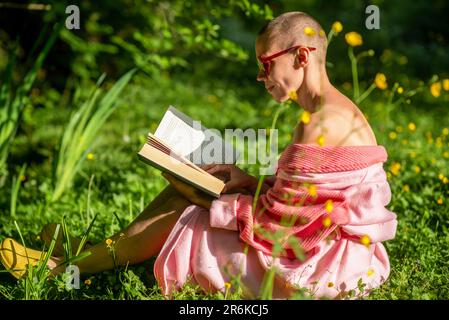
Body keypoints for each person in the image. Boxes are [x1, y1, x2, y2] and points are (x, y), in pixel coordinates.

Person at [0, 11, 397, 299]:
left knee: (184, 207)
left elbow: (285, 230)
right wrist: (246, 180)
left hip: (317, 264)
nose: (261, 78)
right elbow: (309, 201)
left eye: (265, 65)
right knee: (189, 195)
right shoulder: (328, 112)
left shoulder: (317, 124)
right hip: (327, 245)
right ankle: (90, 252)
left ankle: (63, 269)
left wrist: (202, 194)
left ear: (302, 57)